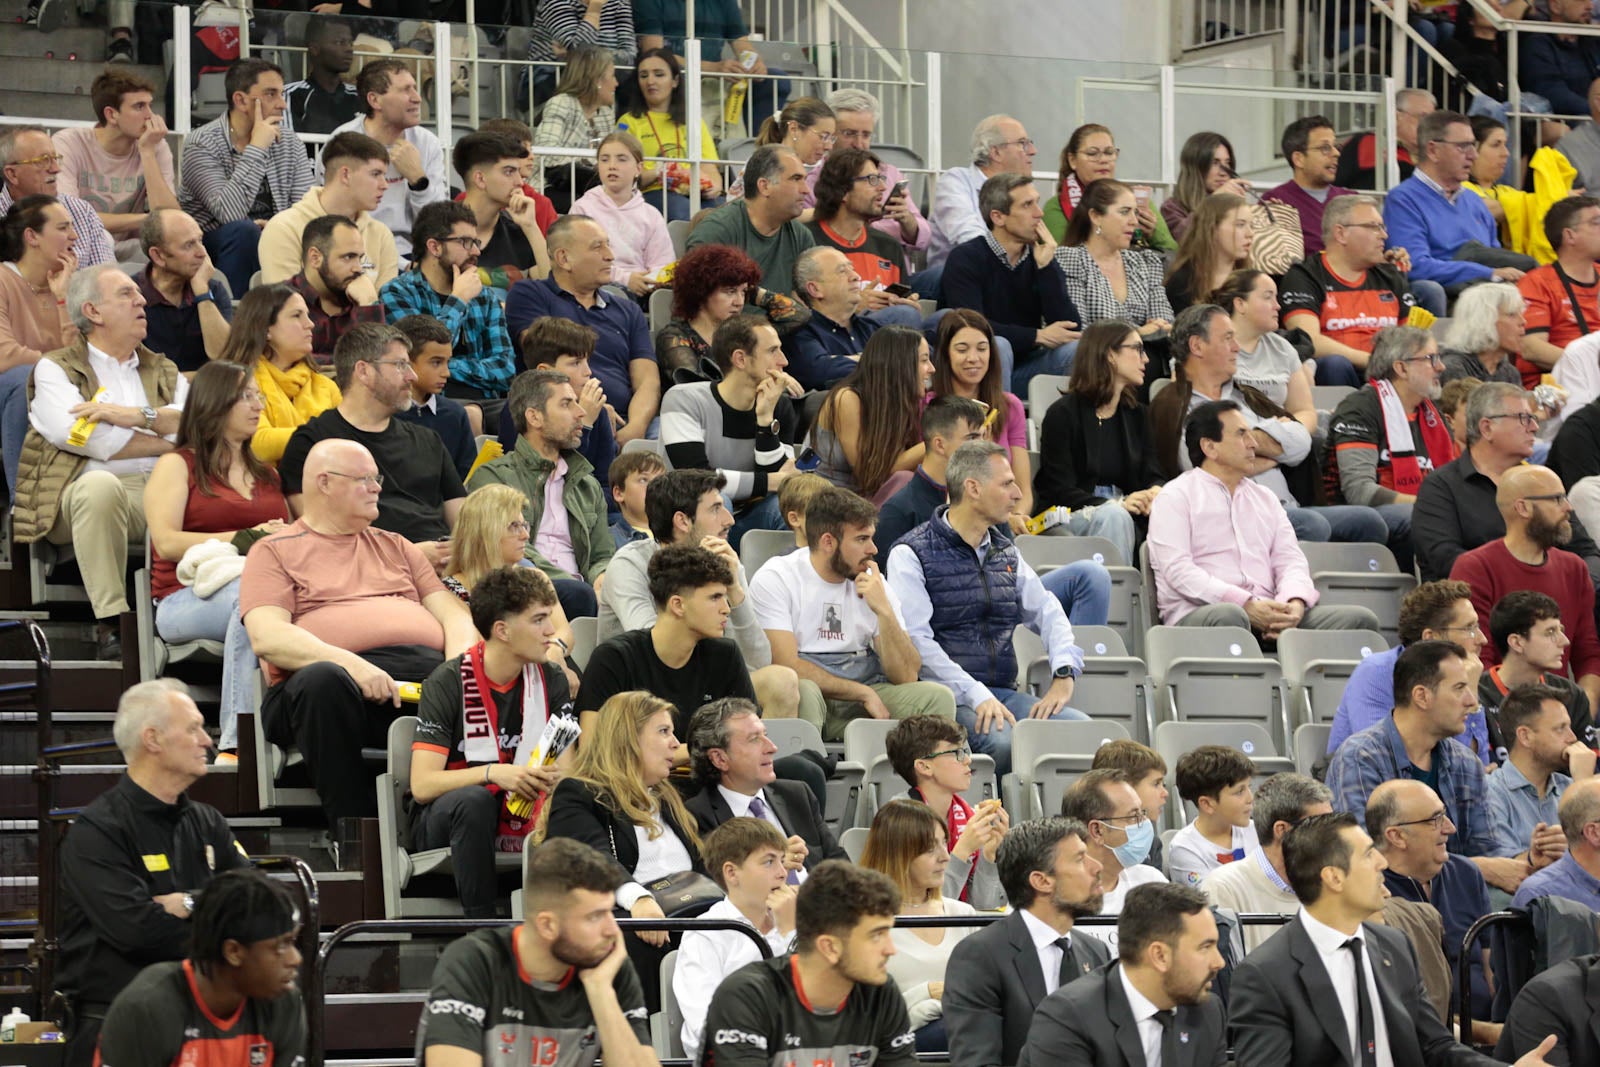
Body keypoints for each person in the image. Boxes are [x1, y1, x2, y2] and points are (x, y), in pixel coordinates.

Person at [241, 437, 477, 829]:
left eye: (377, 477)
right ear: (324, 483)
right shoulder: (273, 551)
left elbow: (455, 619)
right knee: (323, 680)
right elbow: (267, 637)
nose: (378, 487)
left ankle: (462, 822)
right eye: (363, 478)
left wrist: (458, 674)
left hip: (424, 678)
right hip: (332, 685)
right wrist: (351, 665)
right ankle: (357, 834)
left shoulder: (398, 546)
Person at [1227, 811, 1559, 1067]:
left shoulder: (1394, 945)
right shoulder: (1265, 975)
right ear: (1333, 878)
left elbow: (1435, 1047)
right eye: (1369, 855)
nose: (1382, 863)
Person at [55, 680, 249, 1067]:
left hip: (204, 1027)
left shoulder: (208, 821)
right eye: (192, 728)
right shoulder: (98, 830)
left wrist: (189, 901)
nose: (207, 741)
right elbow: (138, 932)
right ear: (153, 739)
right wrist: (220, 926)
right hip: (117, 1029)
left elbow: (254, 904)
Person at [886, 441, 1093, 775]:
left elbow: (1047, 610)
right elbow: (918, 643)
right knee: (1002, 741)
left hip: (1002, 694)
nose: (1017, 494)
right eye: (1006, 484)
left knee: (1079, 729)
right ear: (973, 488)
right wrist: (976, 693)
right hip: (946, 698)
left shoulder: (1004, 550)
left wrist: (1065, 670)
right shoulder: (910, 553)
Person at [16, 263, 187, 660]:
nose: (142, 300)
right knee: (99, 486)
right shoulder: (57, 368)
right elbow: (82, 439)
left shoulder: (164, 368)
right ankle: (112, 621)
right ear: (92, 311)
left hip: (162, 492)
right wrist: (166, 439)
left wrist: (134, 417)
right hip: (79, 497)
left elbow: (196, 426)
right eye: (127, 294)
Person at [596, 469, 822, 729]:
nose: (730, 520)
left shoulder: (724, 563)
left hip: (704, 685)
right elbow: (651, 648)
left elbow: (758, 661)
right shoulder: (630, 564)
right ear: (682, 521)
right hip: (641, 692)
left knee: (785, 682)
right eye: (716, 509)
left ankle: (758, 764)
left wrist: (735, 591)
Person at [143, 361, 289, 758]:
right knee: (254, 600)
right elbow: (167, 541)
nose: (257, 405)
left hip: (254, 587)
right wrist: (246, 538)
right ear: (214, 403)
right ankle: (236, 744)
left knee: (272, 598)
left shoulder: (269, 476)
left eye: (258, 395)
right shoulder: (178, 464)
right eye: (245, 396)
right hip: (182, 598)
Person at [411, 566, 575, 918]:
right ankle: (481, 929)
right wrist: (493, 774)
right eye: (539, 620)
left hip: (526, 809)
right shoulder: (447, 681)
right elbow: (423, 785)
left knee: (579, 797)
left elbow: (568, 770)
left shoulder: (552, 678)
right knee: (474, 801)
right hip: (446, 820)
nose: (551, 631)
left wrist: (548, 778)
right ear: (502, 630)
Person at [1151, 305, 1387, 548]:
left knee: (1368, 522)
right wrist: (1276, 446)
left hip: (1288, 508)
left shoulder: (1248, 397)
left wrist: (1241, 445)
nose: (1237, 348)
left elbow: (1301, 443)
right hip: (1234, 519)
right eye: (1227, 338)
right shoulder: (1175, 405)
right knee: (1313, 524)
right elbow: (1204, 471)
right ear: (1197, 346)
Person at [1146, 398, 1381, 633]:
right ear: (1210, 447)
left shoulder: (1265, 498)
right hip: (1203, 613)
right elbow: (1179, 571)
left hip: (1269, 608)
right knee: (1230, 615)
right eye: (1242, 435)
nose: (1252, 444)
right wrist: (1245, 604)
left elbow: (1290, 561)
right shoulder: (1175, 496)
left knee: (1360, 621)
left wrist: (1293, 603)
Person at [414, 836, 654, 1067]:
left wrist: (601, 991)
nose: (613, 930)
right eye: (595, 917)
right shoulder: (474, 962)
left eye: (610, 912)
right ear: (547, 925)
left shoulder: (605, 967)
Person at [536, 689, 705, 1008]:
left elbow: (702, 866)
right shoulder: (580, 794)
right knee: (635, 938)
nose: (674, 743)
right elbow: (589, 860)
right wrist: (638, 899)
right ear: (628, 738)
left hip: (687, 920)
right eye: (663, 731)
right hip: (632, 921)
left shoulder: (669, 799)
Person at [750, 485, 955, 740]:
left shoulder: (873, 582)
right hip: (814, 696)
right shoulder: (778, 577)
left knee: (937, 698)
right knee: (804, 691)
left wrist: (885, 612)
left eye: (871, 537)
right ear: (828, 542)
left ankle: (916, 777)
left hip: (866, 690)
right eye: (861, 539)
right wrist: (861, 692)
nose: (873, 549)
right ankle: (809, 775)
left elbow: (906, 675)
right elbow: (786, 664)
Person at [1326, 641, 1529, 891]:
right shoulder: (1360, 757)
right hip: (1386, 905)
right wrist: (1478, 868)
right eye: (1459, 688)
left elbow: (1488, 849)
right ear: (1422, 696)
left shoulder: (1465, 762)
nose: (1471, 700)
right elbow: (1364, 856)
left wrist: (1528, 860)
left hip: (1457, 905)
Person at [700, 860, 916, 1067]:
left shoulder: (881, 993)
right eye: (876, 935)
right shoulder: (746, 996)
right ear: (829, 947)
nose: (891, 949)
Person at [277, 323, 463, 560]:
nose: (412, 376)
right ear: (363, 371)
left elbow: (464, 524)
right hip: (370, 574)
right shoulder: (313, 444)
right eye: (400, 365)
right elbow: (322, 538)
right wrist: (411, 556)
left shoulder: (428, 440)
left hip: (445, 566)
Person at [943, 816, 1110, 1067]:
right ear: (1041, 881)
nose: (1096, 867)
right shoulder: (980, 955)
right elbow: (977, 1061)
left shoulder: (1096, 952)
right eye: (1079, 859)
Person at [96, 867, 303, 1067]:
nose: (295, 959)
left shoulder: (283, 1003)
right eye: (281, 946)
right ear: (234, 952)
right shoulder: (147, 1008)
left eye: (293, 942)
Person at [1016, 882, 1227, 1067]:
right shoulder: (1068, 1018)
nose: (1219, 962)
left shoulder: (1207, 1011)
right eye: (1205, 947)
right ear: (1160, 955)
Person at [1416, 381, 1600, 583]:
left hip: (1554, 600)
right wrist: (1532, 581)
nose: (1534, 427)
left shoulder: (1543, 483)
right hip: (1479, 605)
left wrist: (1579, 586)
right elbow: (1447, 560)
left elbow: (1587, 552)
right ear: (1487, 428)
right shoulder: (1440, 487)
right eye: (1524, 418)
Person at [468, 368, 613, 619]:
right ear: (534, 417)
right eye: (567, 404)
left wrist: (602, 579)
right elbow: (513, 551)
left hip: (584, 594)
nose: (581, 413)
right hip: (524, 590)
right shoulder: (494, 477)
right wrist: (576, 585)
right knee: (578, 594)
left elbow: (602, 554)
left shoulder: (586, 485)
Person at [1451, 466, 1600, 703]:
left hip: (1562, 713)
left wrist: (1582, 715)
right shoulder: (1475, 567)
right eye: (1557, 499)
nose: (1568, 507)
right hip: (1502, 714)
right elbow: (1478, 658)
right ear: (1523, 507)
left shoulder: (1575, 568)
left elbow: (1588, 654)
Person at [505, 216, 657, 445]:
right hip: (563, 414)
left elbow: (647, 380)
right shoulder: (530, 294)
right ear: (564, 258)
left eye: (608, 245)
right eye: (597, 247)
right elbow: (543, 361)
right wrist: (586, 408)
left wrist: (635, 429)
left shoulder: (628, 309)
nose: (610, 255)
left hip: (629, 422)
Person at [177, 59, 315, 298]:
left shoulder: (289, 142)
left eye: (282, 94)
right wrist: (257, 147)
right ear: (240, 100)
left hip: (276, 237)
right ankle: (234, 315)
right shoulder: (202, 143)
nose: (282, 104)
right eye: (271, 94)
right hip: (214, 245)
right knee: (243, 231)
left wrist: (277, 227)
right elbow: (227, 213)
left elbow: (306, 208)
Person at [1029, 317, 1160, 564]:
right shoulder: (1063, 414)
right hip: (1073, 515)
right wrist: (1117, 503)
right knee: (1114, 516)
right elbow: (1058, 489)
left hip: (1125, 512)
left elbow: (1152, 472)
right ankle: (1116, 599)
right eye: (1137, 349)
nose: (1146, 359)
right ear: (1110, 354)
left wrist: (1154, 492)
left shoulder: (1138, 414)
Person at [660, 316, 801, 544]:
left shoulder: (779, 405)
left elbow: (786, 483)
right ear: (740, 359)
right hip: (686, 520)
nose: (783, 361)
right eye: (773, 351)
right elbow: (697, 479)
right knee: (717, 500)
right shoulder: (684, 399)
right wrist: (773, 481)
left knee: (789, 508)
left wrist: (765, 420)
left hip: (750, 515)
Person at [1368, 778, 1497, 1022]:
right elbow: (1397, 1005)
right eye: (1434, 820)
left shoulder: (1466, 874)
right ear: (1396, 836)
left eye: (1445, 815)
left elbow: (1492, 970)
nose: (1450, 828)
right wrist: (1484, 1033)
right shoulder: (1371, 891)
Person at [940, 172, 1081, 395]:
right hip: (976, 369)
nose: (1039, 213)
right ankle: (996, 427)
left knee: (1079, 350)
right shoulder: (966, 258)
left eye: (1037, 202)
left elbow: (1070, 327)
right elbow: (971, 327)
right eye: (1027, 205)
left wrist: (1046, 268)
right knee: (999, 345)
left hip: (1027, 366)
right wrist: (1037, 336)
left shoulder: (1039, 257)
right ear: (998, 217)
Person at [673, 815, 796, 1062]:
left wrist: (792, 932)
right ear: (732, 873)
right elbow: (705, 1025)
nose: (783, 873)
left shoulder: (794, 922)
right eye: (769, 862)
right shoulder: (706, 933)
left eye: (782, 861)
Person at [860, 798, 978, 1052]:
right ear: (897, 853)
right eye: (930, 849)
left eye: (944, 843)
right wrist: (928, 993)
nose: (945, 857)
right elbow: (859, 1018)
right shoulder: (862, 922)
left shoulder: (963, 913)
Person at [1327, 579, 1493, 756]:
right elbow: (1382, 756)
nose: (1482, 639)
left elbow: (1473, 767)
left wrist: (1470, 694)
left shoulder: (1462, 677)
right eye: (1469, 628)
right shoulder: (1376, 673)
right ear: (1430, 638)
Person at [381, 201, 517, 412]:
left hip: (488, 404)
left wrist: (443, 366)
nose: (476, 251)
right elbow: (414, 360)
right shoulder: (398, 293)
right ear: (434, 247)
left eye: (476, 242)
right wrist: (458, 300)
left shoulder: (485, 297)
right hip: (428, 404)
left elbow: (505, 370)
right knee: (467, 414)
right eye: (465, 242)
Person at [684, 697, 846, 873]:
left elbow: (842, 869)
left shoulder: (797, 795)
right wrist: (773, 865)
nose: (772, 748)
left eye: (765, 736)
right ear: (719, 758)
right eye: (754, 739)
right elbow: (714, 889)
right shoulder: (695, 819)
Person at [1383, 109, 1535, 294]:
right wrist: (1489, 273)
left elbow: (1497, 257)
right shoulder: (1403, 200)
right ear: (1433, 150)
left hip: (1485, 295)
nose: (1473, 155)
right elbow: (1414, 265)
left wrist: (1495, 274)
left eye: (1473, 145)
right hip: (1446, 298)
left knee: (1532, 273)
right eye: (1463, 146)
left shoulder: (1473, 201)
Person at [1278, 194, 1419, 382]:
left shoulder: (1390, 274)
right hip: (1343, 374)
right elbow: (1308, 340)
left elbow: (1413, 338)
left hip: (1389, 376)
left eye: (1382, 227)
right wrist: (1371, 360)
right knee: (1335, 364)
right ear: (1341, 233)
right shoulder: (1304, 276)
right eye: (1373, 227)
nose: (1384, 235)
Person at [323, 58, 447, 260]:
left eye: (415, 89)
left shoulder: (427, 143)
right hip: (357, 251)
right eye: (406, 90)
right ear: (375, 100)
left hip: (414, 253)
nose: (417, 98)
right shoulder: (343, 142)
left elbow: (440, 225)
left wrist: (418, 181)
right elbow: (331, 215)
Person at [881, 714, 1007, 908]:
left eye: (965, 751)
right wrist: (962, 851)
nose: (967, 760)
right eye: (956, 753)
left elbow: (982, 909)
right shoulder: (900, 817)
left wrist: (989, 857)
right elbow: (926, 907)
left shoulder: (966, 815)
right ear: (924, 766)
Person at [1200, 772, 1335, 951]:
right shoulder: (1224, 888)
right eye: (1321, 826)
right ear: (1282, 830)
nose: (1333, 836)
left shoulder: (1335, 883)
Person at [54, 70, 178, 259]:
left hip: (130, 247)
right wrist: (147, 220)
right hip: (79, 245)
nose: (150, 116)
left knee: (170, 254)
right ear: (111, 114)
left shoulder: (153, 146)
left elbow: (170, 219)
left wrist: (147, 152)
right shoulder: (69, 143)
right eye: (139, 107)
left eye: (150, 106)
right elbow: (70, 218)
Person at [927, 310, 1034, 527]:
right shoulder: (929, 405)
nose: (973, 358)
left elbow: (1023, 490)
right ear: (945, 354)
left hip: (1002, 521)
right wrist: (955, 437)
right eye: (962, 349)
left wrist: (1016, 515)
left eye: (982, 349)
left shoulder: (1010, 406)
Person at [0, 195, 77, 496]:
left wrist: (63, 300)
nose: (74, 236)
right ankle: (25, 506)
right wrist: (56, 370)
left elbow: (81, 358)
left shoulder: (70, 284)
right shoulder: (4, 280)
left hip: (55, 389)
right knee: (24, 380)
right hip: (11, 389)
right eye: (63, 228)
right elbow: (5, 356)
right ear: (32, 236)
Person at [656, 243, 807, 388]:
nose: (740, 302)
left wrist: (752, 292)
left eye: (744, 292)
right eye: (730, 292)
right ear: (701, 292)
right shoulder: (675, 337)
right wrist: (771, 381)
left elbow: (799, 315)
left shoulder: (741, 331)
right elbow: (698, 388)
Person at [500, 317, 620, 500]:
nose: (588, 371)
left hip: (590, 514)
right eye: (575, 363)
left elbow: (606, 486)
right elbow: (544, 482)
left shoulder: (598, 412)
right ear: (544, 371)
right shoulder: (519, 411)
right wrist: (584, 424)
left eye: (587, 361)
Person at [213, 283, 335, 464]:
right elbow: (256, 443)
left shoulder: (325, 385)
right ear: (265, 329)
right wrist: (323, 434)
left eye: (307, 316)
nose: (310, 324)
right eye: (296, 316)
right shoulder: (236, 381)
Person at [258, 130, 396, 285]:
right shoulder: (284, 229)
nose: (384, 185)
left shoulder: (381, 235)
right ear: (345, 175)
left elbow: (387, 306)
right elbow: (286, 305)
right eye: (375, 174)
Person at [812, 325, 932, 500]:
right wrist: (936, 439)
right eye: (924, 360)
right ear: (899, 364)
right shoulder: (847, 398)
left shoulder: (897, 402)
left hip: (865, 503)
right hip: (826, 501)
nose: (931, 368)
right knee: (904, 481)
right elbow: (870, 476)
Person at [806, 88, 928, 257]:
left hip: (893, 274)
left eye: (866, 135)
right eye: (849, 134)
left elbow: (925, 238)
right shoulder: (810, 183)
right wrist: (885, 228)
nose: (859, 143)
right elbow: (813, 237)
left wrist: (907, 221)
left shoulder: (891, 175)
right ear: (830, 134)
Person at [1060, 769, 1168, 950]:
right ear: (1097, 830)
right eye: (1134, 816)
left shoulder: (1151, 883)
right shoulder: (1055, 898)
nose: (1145, 823)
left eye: (1142, 813)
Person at [1058, 179, 1175, 346]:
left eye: (1135, 212)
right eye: (1124, 212)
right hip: (1095, 358)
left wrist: (1158, 327)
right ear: (1096, 217)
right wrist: (1137, 332)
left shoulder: (1144, 262)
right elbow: (1078, 330)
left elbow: (1163, 321)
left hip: (1147, 354)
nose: (1134, 221)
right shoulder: (1071, 259)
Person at [1488, 680, 1593, 864]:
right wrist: (1538, 857)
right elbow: (1502, 868)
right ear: (1525, 736)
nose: (1573, 737)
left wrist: (1583, 784)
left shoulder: (1570, 786)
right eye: (1560, 729)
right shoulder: (1491, 792)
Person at [686, 146, 814, 294]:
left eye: (805, 180)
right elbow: (697, 305)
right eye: (796, 179)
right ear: (765, 186)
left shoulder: (801, 236)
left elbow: (808, 300)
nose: (806, 190)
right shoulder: (716, 232)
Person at [614, 48, 723, 221]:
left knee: (724, 214)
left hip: (693, 190)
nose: (650, 81)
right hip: (653, 191)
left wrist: (715, 186)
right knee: (682, 211)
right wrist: (661, 172)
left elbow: (709, 166)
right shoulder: (628, 122)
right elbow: (624, 175)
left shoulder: (692, 120)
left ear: (675, 81)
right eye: (643, 76)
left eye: (658, 74)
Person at [805, 148, 919, 314]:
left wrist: (907, 304)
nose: (882, 187)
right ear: (842, 191)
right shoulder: (807, 242)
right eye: (872, 180)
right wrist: (853, 306)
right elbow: (798, 309)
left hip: (887, 335)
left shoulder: (889, 246)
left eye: (881, 178)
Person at [1483, 593, 1597, 755]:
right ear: (1517, 642)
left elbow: (1590, 765)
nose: (1564, 641)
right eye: (1550, 632)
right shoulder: (1477, 695)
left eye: (1561, 630)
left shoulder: (1572, 695)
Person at [927, 114, 1039, 271]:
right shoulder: (956, 180)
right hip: (957, 278)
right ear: (996, 153)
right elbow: (969, 238)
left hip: (1005, 278)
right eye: (1022, 143)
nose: (1033, 151)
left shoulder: (1023, 190)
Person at [1044, 124, 1178, 253]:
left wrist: (1153, 233)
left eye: (1109, 152)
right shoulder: (1056, 207)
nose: (1103, 160)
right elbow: (1062, 259)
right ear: (1072, 160)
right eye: (1092, 153)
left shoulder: (1136, 201)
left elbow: (1173, 253)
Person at [570, 131, 673, 295]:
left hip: (645, 288)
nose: (612, 165)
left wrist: (652, 281)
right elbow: (582, 261)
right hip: (601, 286)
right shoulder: (583, 209)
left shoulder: (651, 215)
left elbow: (662, 262)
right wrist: (626, 279)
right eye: (604, 160)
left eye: (621, 159)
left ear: (638, 169)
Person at [0, 126, 115, 269]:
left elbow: (106, 279)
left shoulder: (82, 211)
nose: (56, 169)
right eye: (42, 160)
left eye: (55, 159)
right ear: (12, 174)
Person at [282, 214, 387, 370]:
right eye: (348, 257)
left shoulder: (361, 298)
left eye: (360, 258)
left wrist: (369, 303)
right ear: (315, 258)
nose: (358, 268)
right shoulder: (281, 301)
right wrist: (351, 362)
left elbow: (381, 363)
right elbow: (285, 359)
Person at [136, 209, 233, 374]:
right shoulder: (132, 295)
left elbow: (225, 357)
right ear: (158, 256)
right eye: (189, 245)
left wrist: (202, 294)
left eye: (200, 241)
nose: (202, 253)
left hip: (205, 396)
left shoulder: (213, 290)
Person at [1518, 195, 1600, 388]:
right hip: (1560, 390)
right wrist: (1589, 366)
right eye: (1596, 223)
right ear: (1570, 235)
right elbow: (1532, 348)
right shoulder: (1537, 283)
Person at [452, 130, 551, 282]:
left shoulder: (520, 231)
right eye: (509, 172)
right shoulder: (441, 229)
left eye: (518, 172)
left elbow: (553, 290)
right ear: (480, 178)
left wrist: (531, 227)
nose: (520, 182)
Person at [531, 46, 619, 211]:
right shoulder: (561, 103)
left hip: (589, 187)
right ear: (597, 81)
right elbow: (547, 156)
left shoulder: (606, 114)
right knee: (588, 206)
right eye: (612, 76)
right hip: (550, 186)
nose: (616, 83)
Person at [1211, 269, 1314, 411]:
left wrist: (1279, 431)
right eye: (1268, 297)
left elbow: (1305, 412)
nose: (1277, 306)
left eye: (1276, 298)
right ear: (1240, 304)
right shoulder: (1208, 345)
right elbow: (1189, 405)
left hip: (1277, 431)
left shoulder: (1283, 348)